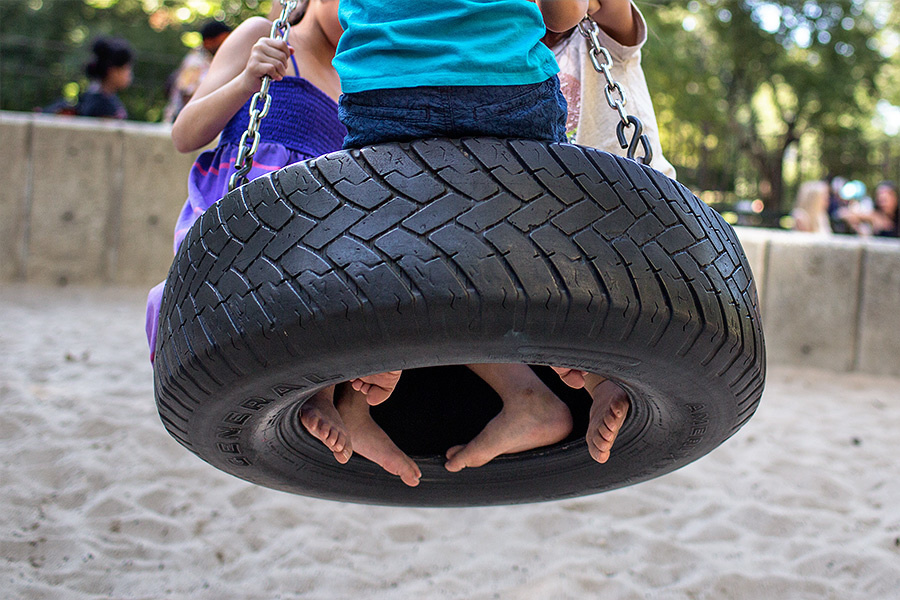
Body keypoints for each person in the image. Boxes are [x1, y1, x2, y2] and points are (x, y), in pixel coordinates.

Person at [301, 0, 629, 479]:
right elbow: (562, 15)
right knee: (536, 238)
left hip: (384, 86)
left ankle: (357, 387)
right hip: (506, 87)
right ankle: (591, 375)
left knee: (384, 237)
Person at [544, 0, 675, 178]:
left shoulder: (601, 31)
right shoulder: (525, 56)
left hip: (640, 191)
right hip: (573, 197)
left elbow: (563, 11)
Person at [163, 21, 233, 123]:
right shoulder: (195, 63)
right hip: (184, 122)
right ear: (208, 42)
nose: (226, 44)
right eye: (222, 41)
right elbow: (187, 95)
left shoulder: (214, 60)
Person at [76, 37, 133, 119]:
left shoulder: (107, 98)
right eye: (126, 69)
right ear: (113, 72)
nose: (129, 74)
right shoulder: (101, 106)